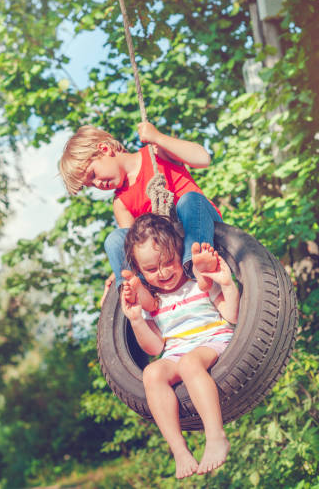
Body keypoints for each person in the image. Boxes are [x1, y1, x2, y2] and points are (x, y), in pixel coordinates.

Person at [121, 213, 239, 478]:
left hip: (212, 340)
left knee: (189, 363)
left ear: (178, 252)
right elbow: (153, 348)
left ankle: (216, 436)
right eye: (151, 270)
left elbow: (231, 315)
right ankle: (180, 450)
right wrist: (137, 320)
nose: (162, 273)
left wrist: (227, 285)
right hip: (175, 351)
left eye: (168, 262)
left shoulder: (200, 283)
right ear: (140, 271)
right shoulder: (155, 304)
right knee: (151, 373)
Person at [59, 121, 222, 309]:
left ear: (104, 149)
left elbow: (203, 159)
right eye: (91, 184)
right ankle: (137, 292)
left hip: (200, 228)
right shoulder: (121, 203)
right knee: (115, 240)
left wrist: (158, 137)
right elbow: (131, 248)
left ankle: (196, 263)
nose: (98, 184)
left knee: (189, 201)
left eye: (93, 174)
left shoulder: (156, 153)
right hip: (167, 253)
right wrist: (119, 271)